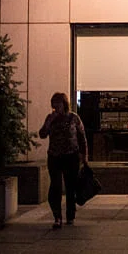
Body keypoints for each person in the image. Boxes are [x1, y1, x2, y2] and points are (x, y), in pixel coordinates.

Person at [38, 92, 88, 228]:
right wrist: (49, 122)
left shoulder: (73, 118)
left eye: (58, 103)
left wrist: (84, 155)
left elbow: (82, 137)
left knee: (70, 187)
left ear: (64, 104)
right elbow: (42, 134)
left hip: (71, 156)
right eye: (54, 104)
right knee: (55, 186)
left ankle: (70, 215)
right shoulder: (50, 118)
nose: (56, 106)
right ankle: (57, 216)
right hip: (54, 156)